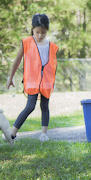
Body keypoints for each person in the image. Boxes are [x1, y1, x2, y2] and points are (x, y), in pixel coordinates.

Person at [6, 14, 58, 142]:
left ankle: (44, 134)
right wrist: (10, 77)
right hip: (32, 81)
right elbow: (17, 60)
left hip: (46, 82)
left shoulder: (51, 45)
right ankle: (11, 134)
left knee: (45, 107)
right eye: (37, 32)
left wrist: (52, 81)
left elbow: (52, 65)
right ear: (32, 29)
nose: (40, 35)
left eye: (43, 33)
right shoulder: (27, 42)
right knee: (30, 106)